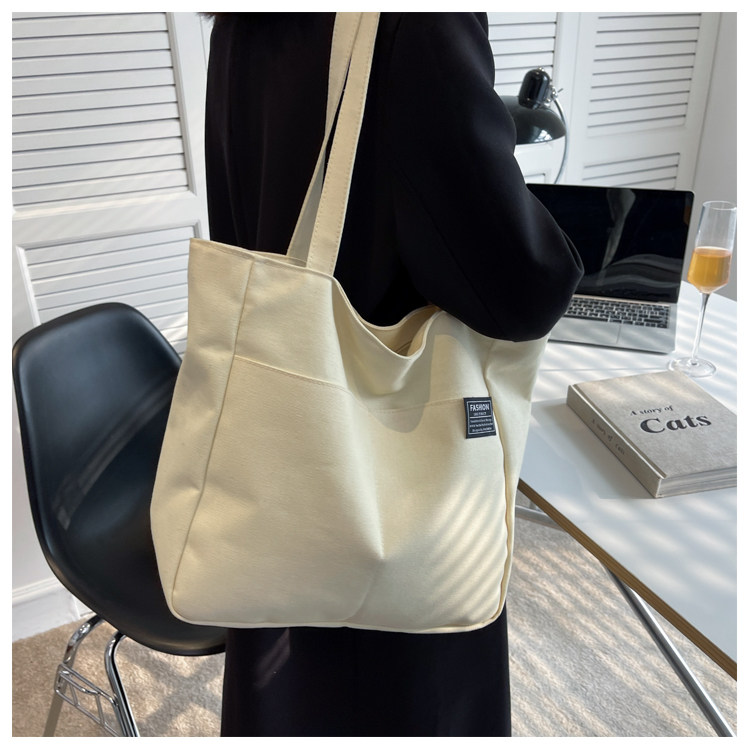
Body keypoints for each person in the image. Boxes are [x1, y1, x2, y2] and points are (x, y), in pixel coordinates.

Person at [203, 12, 582, 737]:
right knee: (404, 697)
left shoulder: (243, 24)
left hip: (276, 441)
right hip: (392, 476)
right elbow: (519, 285)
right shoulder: (419, 22)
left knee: (291, 686)